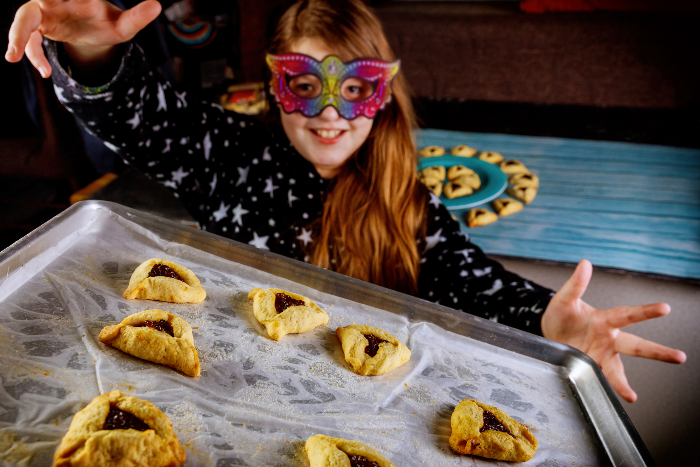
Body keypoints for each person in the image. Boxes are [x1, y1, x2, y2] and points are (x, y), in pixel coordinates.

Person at [6, 0, 685, 403]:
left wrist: (547, 320)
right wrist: (95, 54)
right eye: (306, 85)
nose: (330, 114)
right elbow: (142, 116)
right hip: (222, 376)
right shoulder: (226, 155)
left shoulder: (405, 201)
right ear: (276, 88)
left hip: (356, 394)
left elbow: (474, 283)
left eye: (353, 89)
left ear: (381, 92)